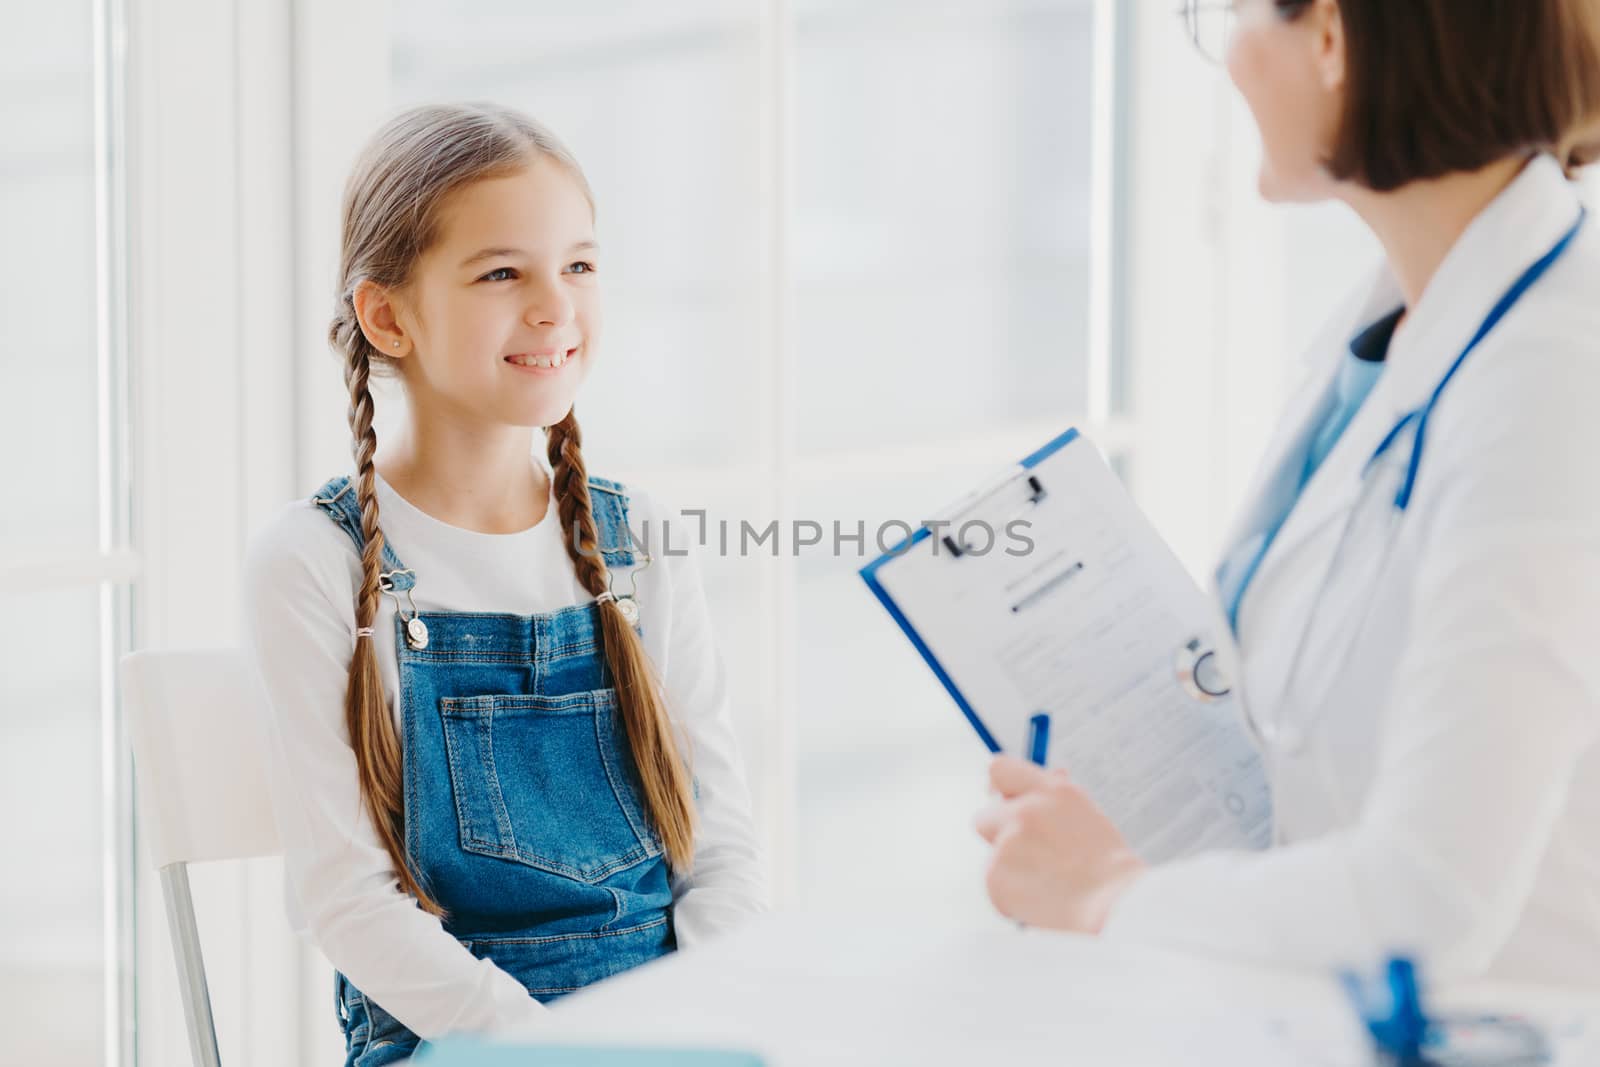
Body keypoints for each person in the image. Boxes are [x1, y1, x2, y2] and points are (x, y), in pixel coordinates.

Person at [974, 0, 1600, 984]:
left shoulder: (1555, 379)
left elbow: (1431, 896)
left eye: (1226, 14)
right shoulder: (1390, 327)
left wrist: (1105, 893)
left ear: (1330, 38)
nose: (1223, 58)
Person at [243, 103, 766, 1065]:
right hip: (451, 1038)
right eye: (501, 273)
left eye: (578, 265)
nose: (555, 307)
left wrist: (683, 1028)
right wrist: (560, 1053)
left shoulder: (638, 538)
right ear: (388, 316)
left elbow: (722, 847)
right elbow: (351, 903)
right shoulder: (312, 564)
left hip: (671, 1026)